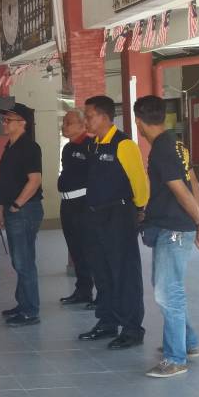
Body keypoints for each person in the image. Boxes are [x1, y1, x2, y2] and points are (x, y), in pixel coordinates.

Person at [134, 95, 199, 377]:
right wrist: (198, 220)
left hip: (174, 229)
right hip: (177, 225)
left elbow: (180, 189)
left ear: (138, 121)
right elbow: (194, 182)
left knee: (168, 292)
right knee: (167, 287)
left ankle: (175, 359)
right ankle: (188, 342)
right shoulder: (177, 144)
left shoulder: (162, 150)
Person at [79, 95, 150, 350]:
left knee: (124, 273)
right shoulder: (94, 145)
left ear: (104, 116)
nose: (86, 121)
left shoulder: (124, 144)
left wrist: (139, 209)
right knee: (103, 272)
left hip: (118, 216)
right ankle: (108, 321)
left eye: (89, 116)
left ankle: (132, 329)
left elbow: (140, 183)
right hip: (95, 216)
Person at [0, 103, 44, 328]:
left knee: (24, 262)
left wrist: (16, 204)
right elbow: (5, 182)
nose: (4, 123)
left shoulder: (29, 147)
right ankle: (22, 303)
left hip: (25, 211)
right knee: (19, 260)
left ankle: (30, 311)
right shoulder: (10, 147)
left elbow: (34, 180)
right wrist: (1, 208)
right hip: (13, 209)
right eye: (4, 120)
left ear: (23, 123)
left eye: (9, 120)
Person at [58, 109, 94, 307]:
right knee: (75, 249)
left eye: (68, 122)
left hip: (84, 204)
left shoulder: (90, 145)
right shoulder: (67, 148)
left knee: (89, 250)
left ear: (82, 125)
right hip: (67, 204)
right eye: (63, 122)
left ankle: (102, 294)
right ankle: (83, 290)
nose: (63, 126)